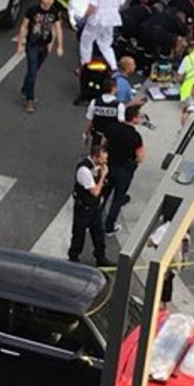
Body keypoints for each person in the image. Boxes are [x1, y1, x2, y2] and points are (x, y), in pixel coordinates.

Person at [17, 0, 64, 113]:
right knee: (32, 71)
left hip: (45, 46)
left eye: (52, 0)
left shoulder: (54, 12)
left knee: (34, 70)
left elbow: (57, 28)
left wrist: (58, 45)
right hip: (32, 45)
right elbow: (24, 26)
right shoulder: (32, 10)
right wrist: (20, 44)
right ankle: (30, 99)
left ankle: (25, 88)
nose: (49, 2)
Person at [102, 106, 145, 235]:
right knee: (118, 198)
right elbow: (140, 157)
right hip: (124, 170)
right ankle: (109, 226)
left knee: (104, 194)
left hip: (109, 166)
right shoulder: (135, 136)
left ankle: (93, 220)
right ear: (134, 118)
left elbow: (104, 143)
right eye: (139, 116)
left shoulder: (112, 127)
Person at [69, 144, 112, 267]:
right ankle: (73, 257)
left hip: (94, 207)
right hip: (83, 208)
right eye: (103, 159)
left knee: (98, 233)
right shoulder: (84, 170)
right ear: (95, 157)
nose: (105, 162)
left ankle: (101, 257)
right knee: (79, 234)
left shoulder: (97, 167)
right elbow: (95, 192)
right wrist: (103, 176)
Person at [79, 0, 125, 71]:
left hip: (97, 19)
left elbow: (93, 6)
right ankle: (114, 67)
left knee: (86, 42)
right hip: (111, 18)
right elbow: (122, 2)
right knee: (105, 44)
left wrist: (84, 18)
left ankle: (86, 67)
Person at [85, 77, 125, 145]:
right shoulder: (119, 105)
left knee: (95, 151)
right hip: (111, 138)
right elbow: (121, 124)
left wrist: (86, 133)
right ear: (113, 88)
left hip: (97, 136)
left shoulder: (94, 102)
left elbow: (90, 121)